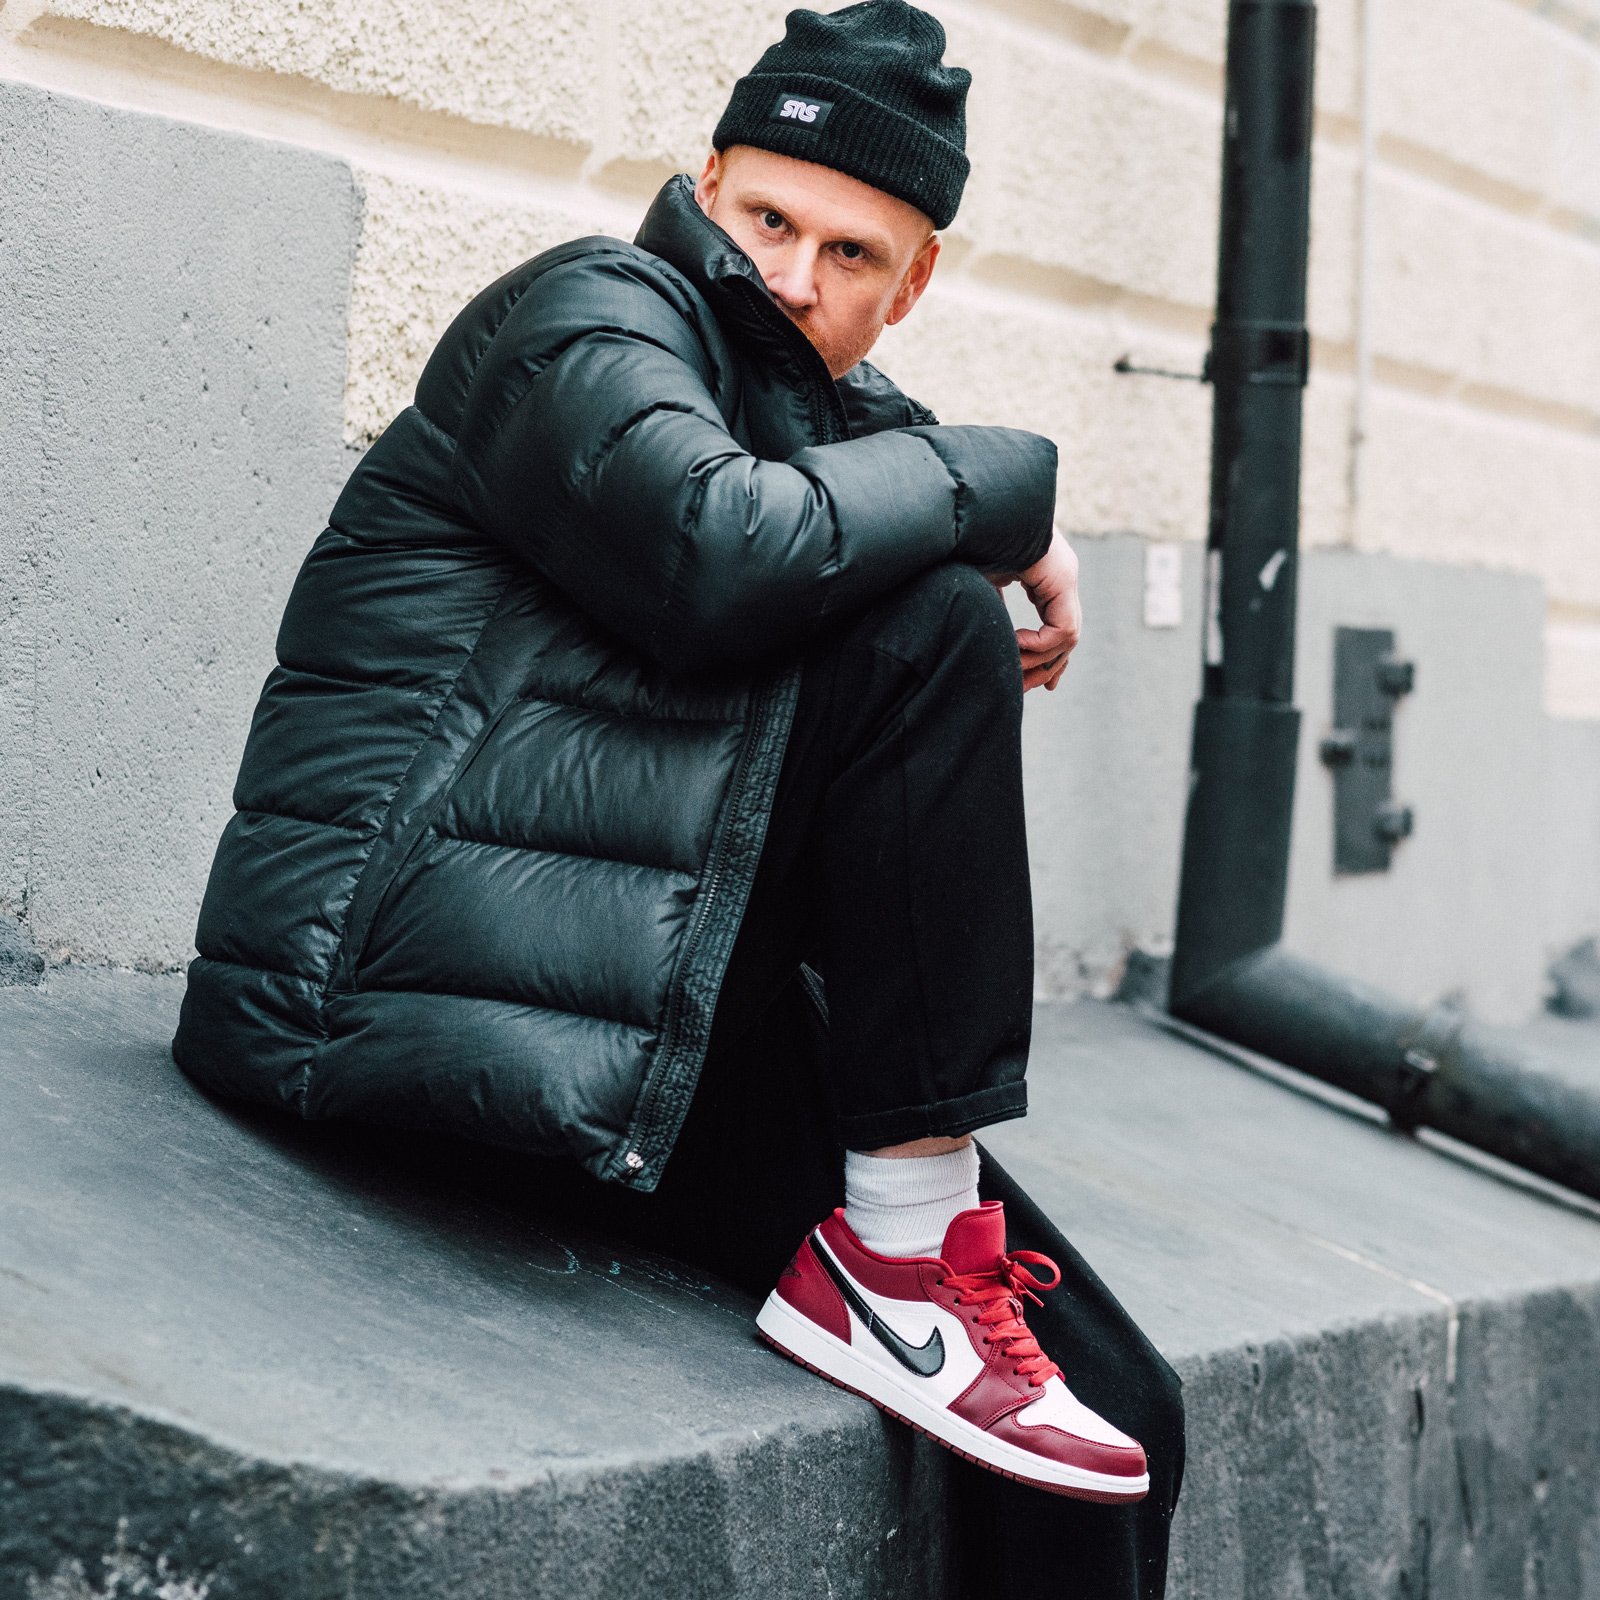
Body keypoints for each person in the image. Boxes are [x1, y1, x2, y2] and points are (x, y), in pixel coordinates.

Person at [171, 1, 1184, 1592]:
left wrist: (975, 509)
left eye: (853, 253)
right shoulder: (582, 317)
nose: (793, 275)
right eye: (769, 215)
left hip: (640, 1021)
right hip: (374, 997)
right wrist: (1009, 500)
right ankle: (905, 1251)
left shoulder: (843, 435)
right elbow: (714, 553)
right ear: (705, 181)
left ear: (915, 285)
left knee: (1118, 1426)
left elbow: (853, 536)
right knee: (926, 621)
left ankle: (909, 1255)